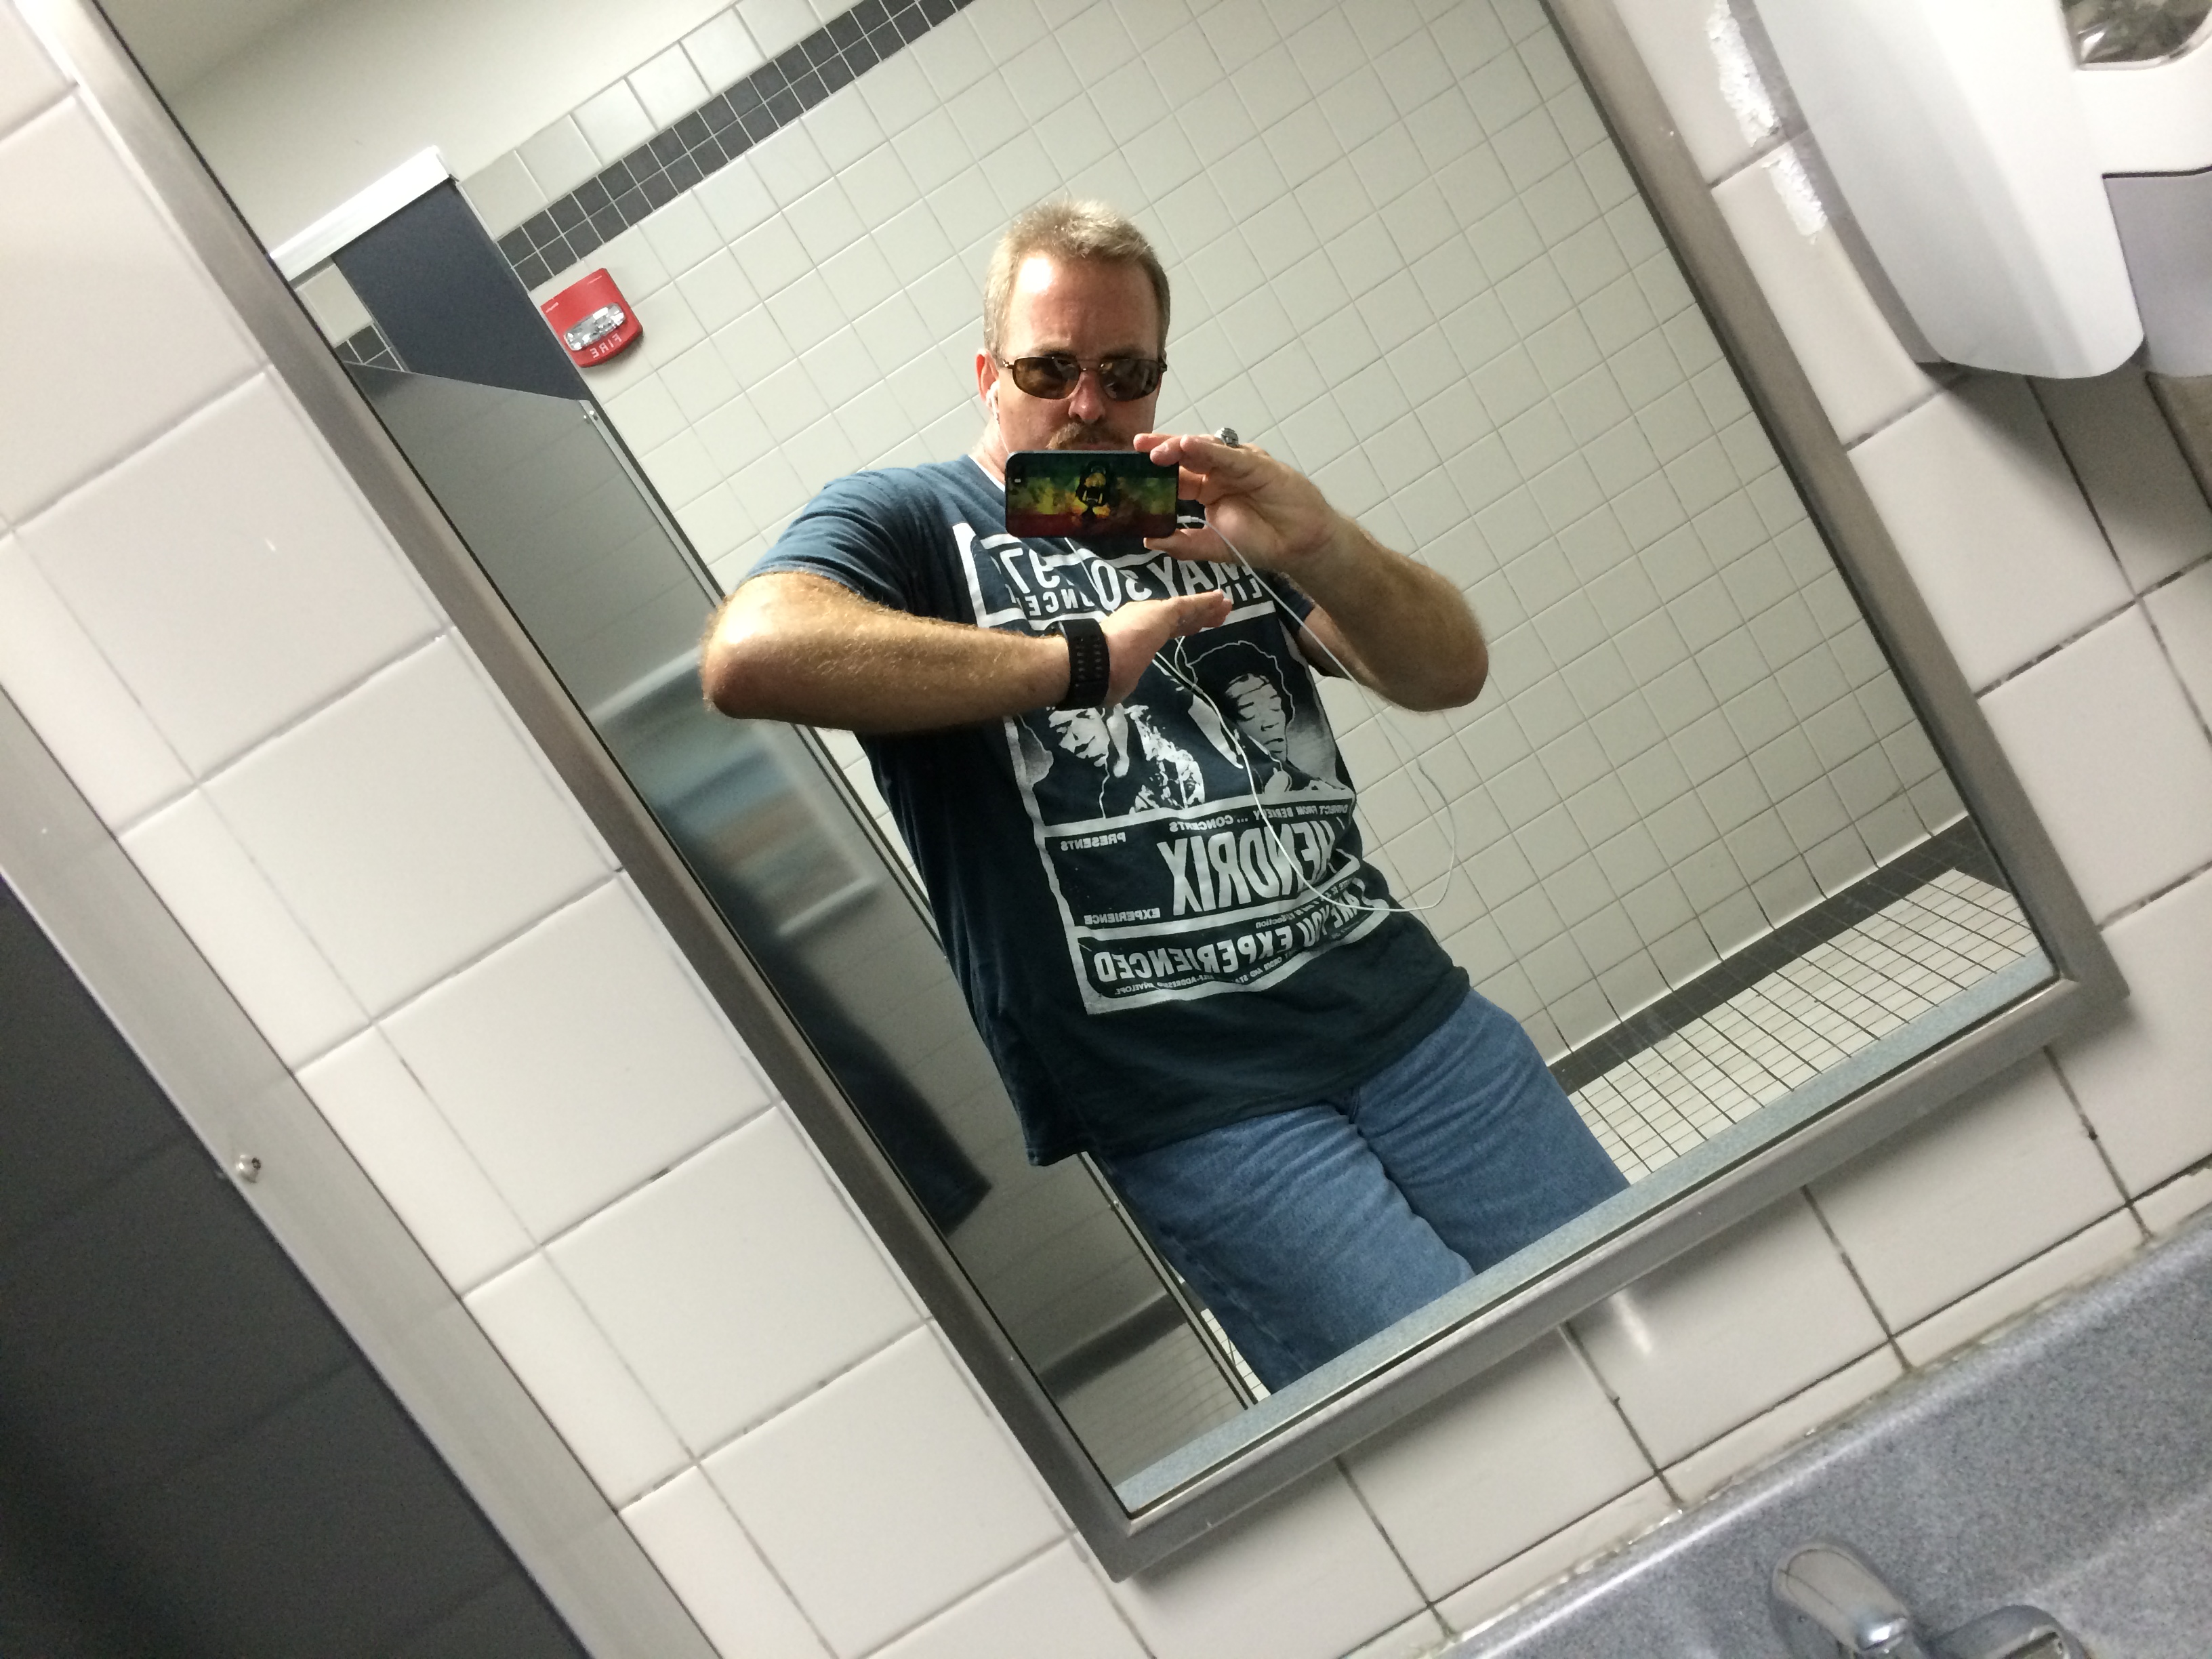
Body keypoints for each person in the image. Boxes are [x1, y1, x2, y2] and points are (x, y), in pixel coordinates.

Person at [702, 199, 1625, 1389]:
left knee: (1642, 1299)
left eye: (1125, 373)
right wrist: (1078, 662)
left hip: (1413, 1022)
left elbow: (1446, 672)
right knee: (1474, 1407)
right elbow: (751, 654)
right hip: (1198, 1105)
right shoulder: (911, 522)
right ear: (988, 374)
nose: (1088, 405)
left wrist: (1320, 545)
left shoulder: (1206, 510)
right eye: (1050, 369)